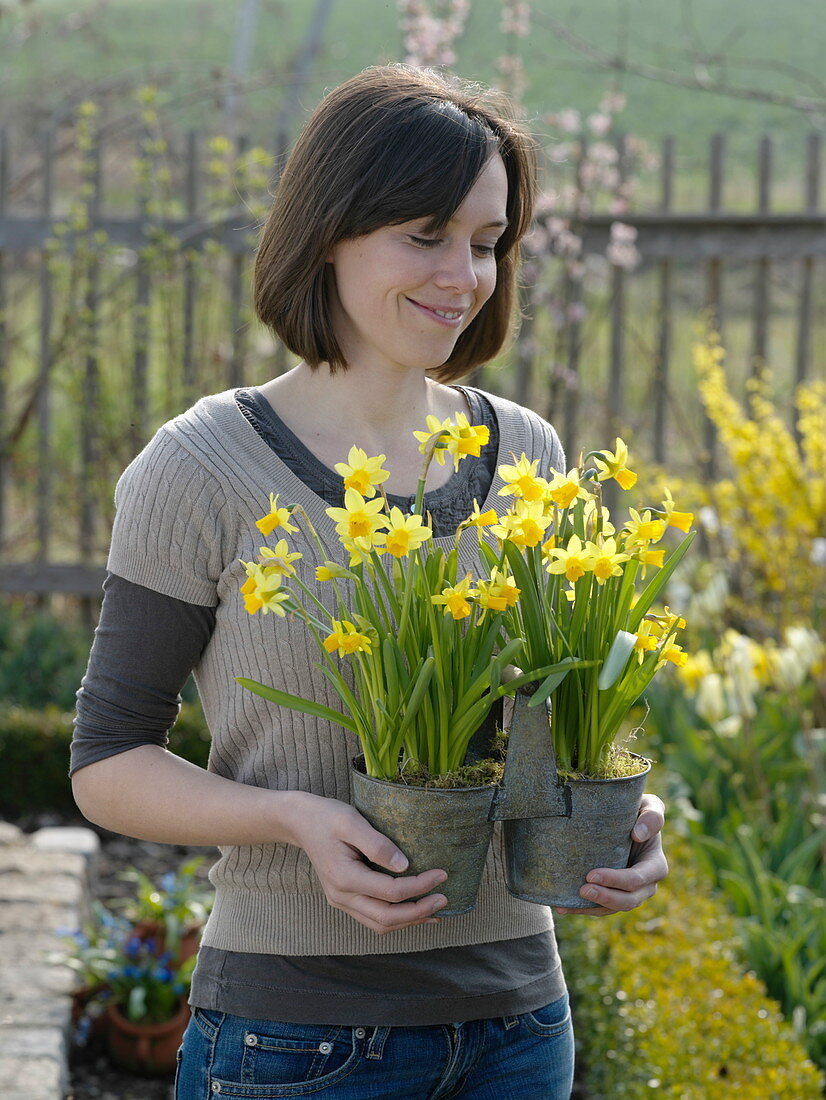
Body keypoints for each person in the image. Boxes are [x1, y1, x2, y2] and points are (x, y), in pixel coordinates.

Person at [70, 64, 667, 1100]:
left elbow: (546, 722)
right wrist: (295, 817)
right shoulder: (203, 465)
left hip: (520, 1024)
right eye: (424, 234)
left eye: (486, 243)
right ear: (330, 231)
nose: (463, 275)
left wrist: (623, 814)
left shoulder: (524, 448)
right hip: (293, 1036)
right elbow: (107, 761)